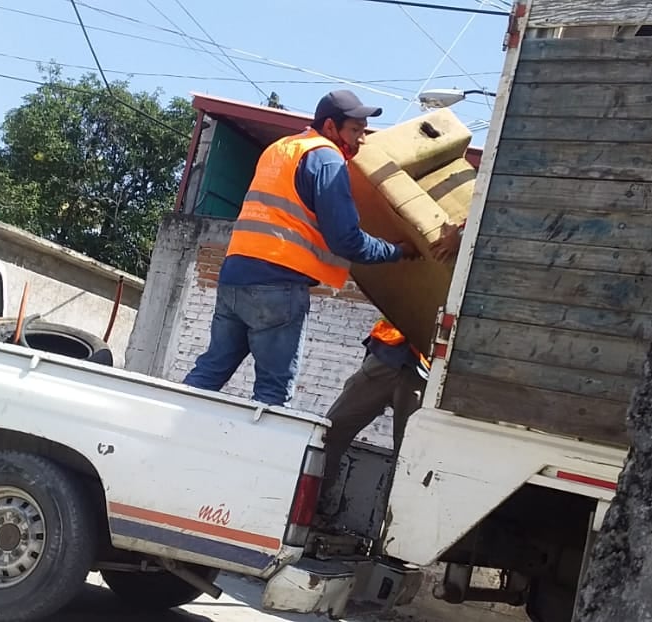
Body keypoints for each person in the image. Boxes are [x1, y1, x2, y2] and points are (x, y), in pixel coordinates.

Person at [182, 89, 418, 406]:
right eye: (355, 131)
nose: (361, 140)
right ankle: (263, 456)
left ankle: (162, 434)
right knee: (272, 394)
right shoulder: (327, 159)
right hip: (278, 285)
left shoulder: (281, 149)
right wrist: (398, 251)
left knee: (209, 372)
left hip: (234, 276)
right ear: (331, 127)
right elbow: (346, 240)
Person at [320, 221, 464, 506]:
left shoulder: (474, 218)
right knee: (330, 432)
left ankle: (391, 531)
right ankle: (312, 502)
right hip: (385, 359)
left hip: (423, 375)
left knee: (409, 457)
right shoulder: (439, 220)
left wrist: (458, 237)